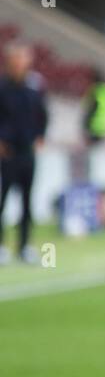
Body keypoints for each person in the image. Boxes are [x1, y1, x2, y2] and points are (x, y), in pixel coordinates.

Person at [0, 42, 47, 264]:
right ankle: (1, 246)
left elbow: (42, 115)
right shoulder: (2, 88)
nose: (20, 64)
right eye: (16, 59)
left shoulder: (34, 88)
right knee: (2, 199)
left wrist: (39, 135)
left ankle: (25, 246)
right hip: (6, 153)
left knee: (27, 201)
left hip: (27, 151)